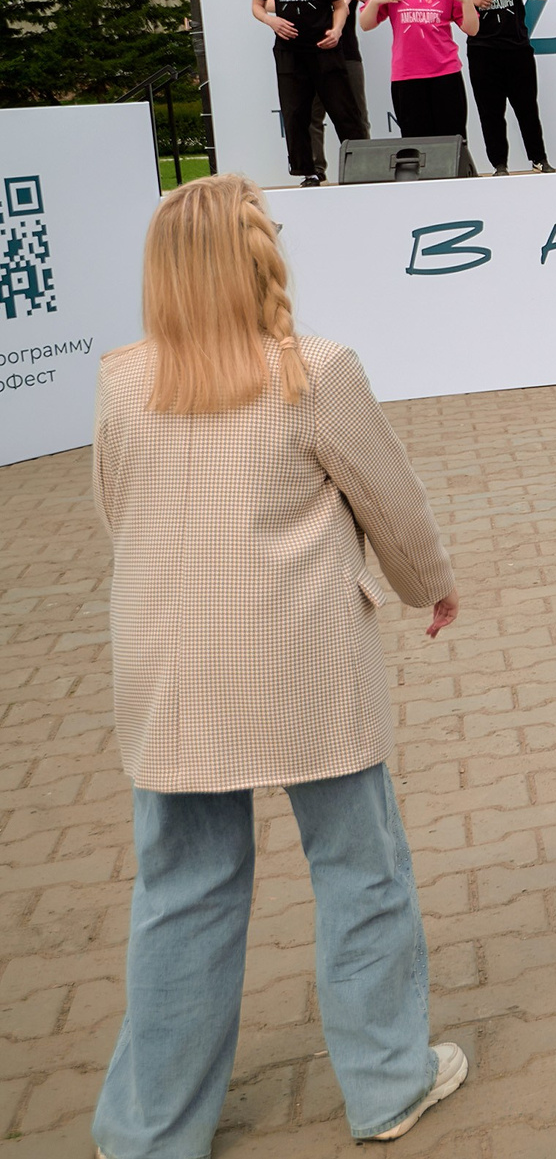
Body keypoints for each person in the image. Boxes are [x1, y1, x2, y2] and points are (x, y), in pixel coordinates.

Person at [88, 175, 468, 1154]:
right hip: (303, 660)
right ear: (259, 255)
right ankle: (387, 1082)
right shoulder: (314, 366)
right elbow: (388, 499)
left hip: (170, 670)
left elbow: (113, 509)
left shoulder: (122, 378)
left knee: (180, 889)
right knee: (361, 868)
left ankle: (150, 1128)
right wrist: (429, 583)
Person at [245, 0, 362, 187]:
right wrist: (271, 22)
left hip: (324, 49)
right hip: (289, 52)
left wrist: (336, 30)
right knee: (295, 112)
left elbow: (340, 6)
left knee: (344, 110)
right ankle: (307, 171)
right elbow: (256, 6)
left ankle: (362, 166)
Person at [358, 0, 483, 153]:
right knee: (415, 141)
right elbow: (366, 24)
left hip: (446, 73)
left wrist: (465, 0)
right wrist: (376, 0)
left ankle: (455, 185)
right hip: (407, 76)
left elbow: (472, 29)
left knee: (453, 140)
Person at [452, 0, 552, 175]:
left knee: (527, 109)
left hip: (517, 51)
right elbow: (456, 17)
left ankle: (539, 160)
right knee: (490, 114)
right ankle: (499, 165)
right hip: (482, 53)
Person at [307, 0, 375, 172]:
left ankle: (363, 168)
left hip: (347, 56)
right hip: (310, 57)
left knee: (356, 114)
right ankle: (315, 170)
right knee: (311, 118)